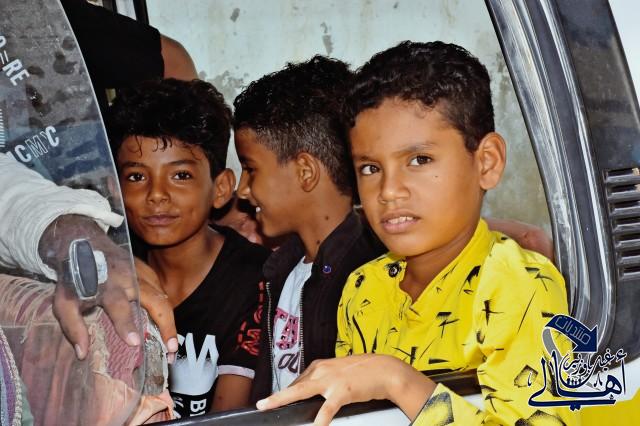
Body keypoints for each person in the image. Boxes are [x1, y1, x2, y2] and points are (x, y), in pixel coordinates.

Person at [256, 41, 576, 425]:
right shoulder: (363, 287)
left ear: (486, 163)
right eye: (370, 168)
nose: (389, 191)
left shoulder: (517, 285)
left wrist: (396, 380)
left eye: (419, 160)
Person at [108, 78, 270, 417]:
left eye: (180, 175)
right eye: (136, 177)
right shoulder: (113, 273)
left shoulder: (256, 278)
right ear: (114, 188)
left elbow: (228, 421)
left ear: (221, 188)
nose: (156, 194)